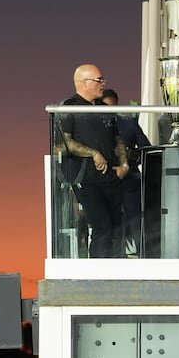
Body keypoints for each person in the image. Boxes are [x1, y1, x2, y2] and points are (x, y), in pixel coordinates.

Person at [57, 64, 129, 258]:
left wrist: (124, 164)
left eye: (102, 80)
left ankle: (115, 271)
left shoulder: (105, 109)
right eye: (99, 80)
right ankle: (98, 275)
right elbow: (62, 143)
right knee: (102, 226)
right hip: (85, 177)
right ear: (83, 82)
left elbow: (117, 139)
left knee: (116, 227)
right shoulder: (69, 107)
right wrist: (93, 153)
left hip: (111, 176)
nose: (102, 84)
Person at [102, 88, 151, 257]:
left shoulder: (128, 124)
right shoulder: (95, 127)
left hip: (128, 182)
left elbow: (146, 150)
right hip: (107, 183)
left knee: (134, 222)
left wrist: (129, 160)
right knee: (114, 225)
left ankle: (142, 257)